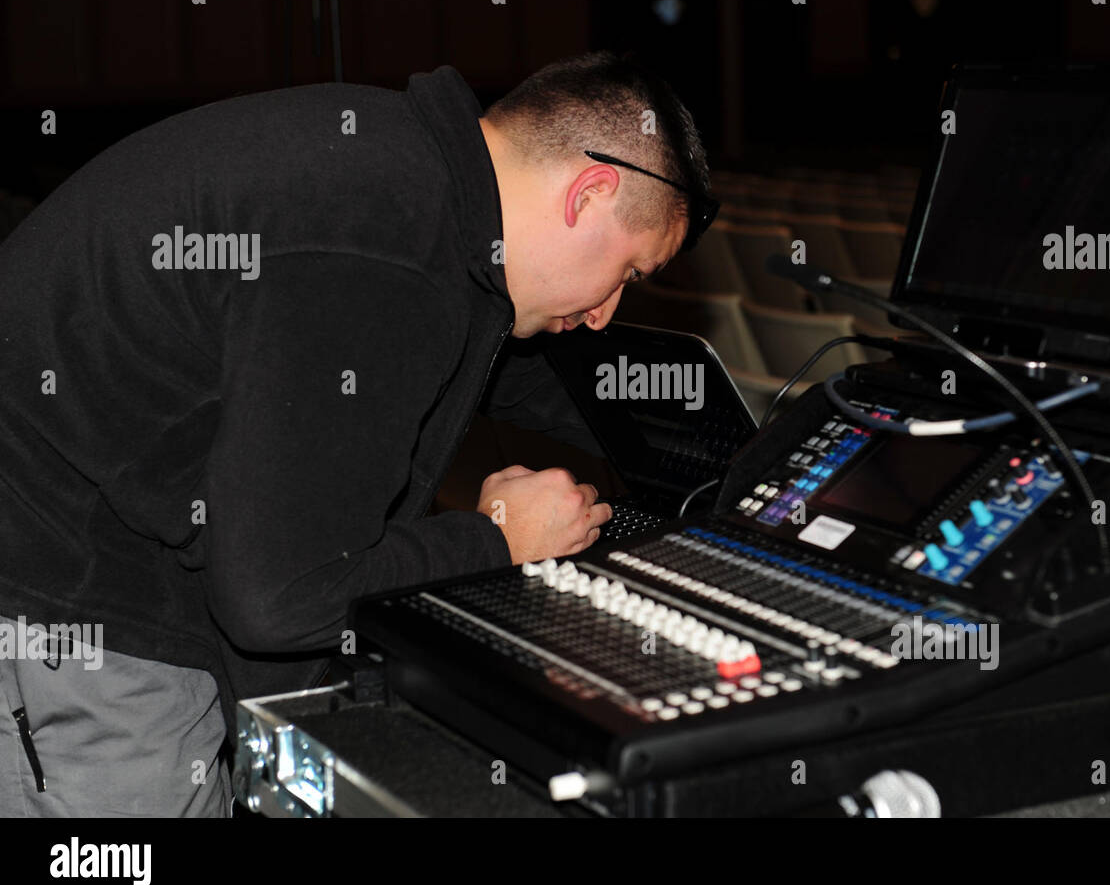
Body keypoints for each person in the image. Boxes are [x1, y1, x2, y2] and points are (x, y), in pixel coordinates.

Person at [0, 51, 714, 816]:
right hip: (75, 616)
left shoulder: (399, 171)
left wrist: (717, 453)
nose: (607, 313)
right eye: (630, 273)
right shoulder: (384, 253)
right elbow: (282, 597)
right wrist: (499, 539)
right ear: (592, 192)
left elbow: (489, 363)